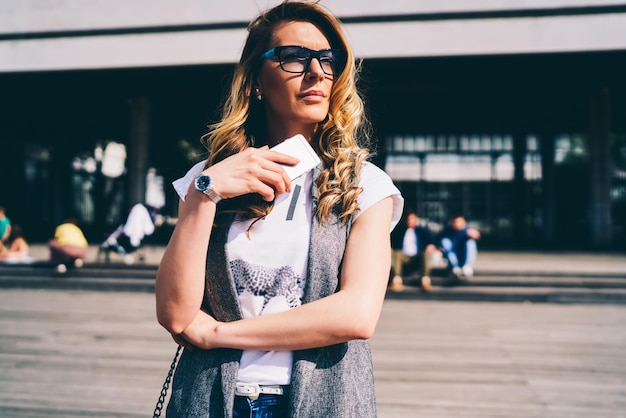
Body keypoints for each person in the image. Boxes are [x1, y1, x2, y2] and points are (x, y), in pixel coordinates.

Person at [155, 2, 404, 416]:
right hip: (212, 400)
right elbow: (176, 315)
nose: (317, 72)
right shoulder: (208, 177)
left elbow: (357, 314)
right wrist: (205, 195)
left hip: (321, 400)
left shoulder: (363, 183)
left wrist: (219, 333)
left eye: (328, 60)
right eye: (294, 57)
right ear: (255, 79)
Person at [390, 211, 437, 292]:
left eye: (412, 219)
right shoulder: (399, 230)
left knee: (424, 254)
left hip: (417, 256)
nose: (410, 221)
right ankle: (397, 280)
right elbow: (391, 242)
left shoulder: (422, 231)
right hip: (403, 256)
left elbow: (431, 242)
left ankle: (425, 280)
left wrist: (431, 246)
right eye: (408, 219)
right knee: (397, 253)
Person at [439, 214, 480, 279]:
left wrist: (475, 234)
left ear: (464, 223)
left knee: (470, 242)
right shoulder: (447, 231)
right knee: (445, 241)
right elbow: (437, 241)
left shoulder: (467, 230)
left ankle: (468, 267)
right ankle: (455, 268)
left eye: (459, 222)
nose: (456, 224)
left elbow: (477, 235)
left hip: (464, 255)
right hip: (452, 256)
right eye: (455, 222)